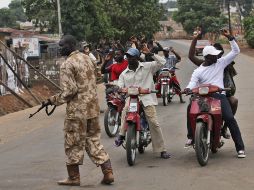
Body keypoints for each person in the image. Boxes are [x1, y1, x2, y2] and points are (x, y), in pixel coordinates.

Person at [45, 35, 114, 186]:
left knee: (72, 142)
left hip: (77, 112)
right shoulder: (88, 58)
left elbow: (69, 91)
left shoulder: (67, 64)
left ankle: (74, 178)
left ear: (70, 45)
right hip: (92, 108)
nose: (60, 48)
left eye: (62, 45)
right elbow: (98, 77)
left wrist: (52, 100)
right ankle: (108, 172)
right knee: (93, 139)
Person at [184, 30, 246, 158]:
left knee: (229, 118)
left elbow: (236, 51)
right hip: (202, 96)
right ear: (207, 57)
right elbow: (192, 83)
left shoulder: (220, 63)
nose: (217, 56)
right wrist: (187, 89)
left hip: (219, 96)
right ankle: (191, 136)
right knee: (190, 109)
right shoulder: (198, 70)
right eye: (214, 55)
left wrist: (229, 37)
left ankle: (240, 147)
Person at [115, 48, 171, 159]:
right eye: (128, 56)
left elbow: (162, 62)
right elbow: (119, 85)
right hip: (131, 99)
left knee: (153, 122)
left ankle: (161, 149)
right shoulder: (124, 74)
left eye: (132, 56)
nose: (130, 59)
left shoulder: (147, 66)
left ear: (137, 57)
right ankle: (121, 135)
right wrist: (118, 89)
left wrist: (151, 54)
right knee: (125, 111)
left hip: (146, 98)